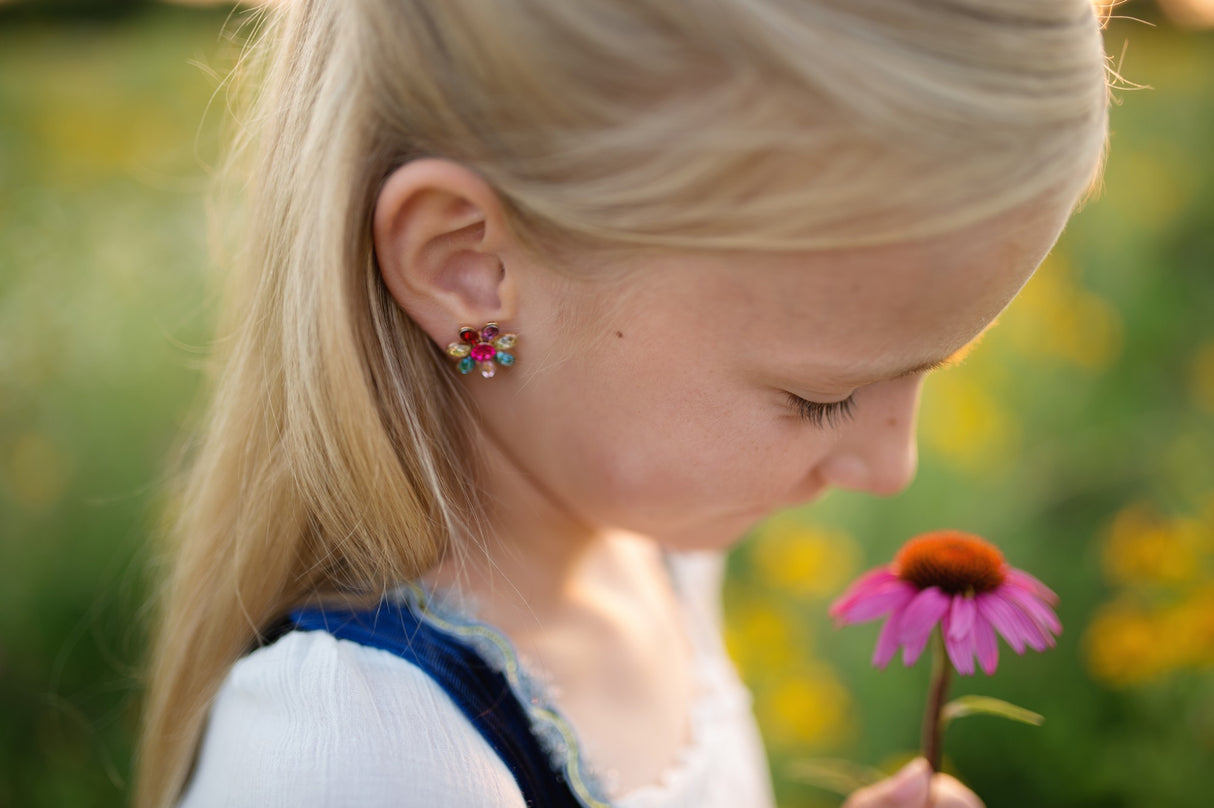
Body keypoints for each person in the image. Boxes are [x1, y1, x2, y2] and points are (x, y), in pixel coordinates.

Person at [134, 1, 1111, 806]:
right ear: (469, 268)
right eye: (822, 396)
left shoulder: (661, 552)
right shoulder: (371, 757)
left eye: (931, 368)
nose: (889, 465)